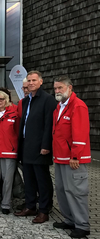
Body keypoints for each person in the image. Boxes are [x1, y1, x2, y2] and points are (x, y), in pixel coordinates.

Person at [14, 71, 57, 224]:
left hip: (40, 147)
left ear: (41, 82)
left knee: (42, 180)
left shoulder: (48, 100)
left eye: (34, 80)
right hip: (26, 145)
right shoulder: (26, 101)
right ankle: (30, 206)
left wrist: (46, 145)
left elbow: (49, 125)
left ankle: (44, 210)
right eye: (29, 81)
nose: (31, 83)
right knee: (29, 178)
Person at [52, 75, 91, 238]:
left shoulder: (78, 106)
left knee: (76, 191)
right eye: (55, 88)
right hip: (60, 157)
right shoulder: (59, 107)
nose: (57, 91)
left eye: (60, 88)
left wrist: (75, 155)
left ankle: (82, 224)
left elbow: (80, 134)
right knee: (62, 190)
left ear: (70, 87)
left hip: (73, 159)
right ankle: (69, 219)